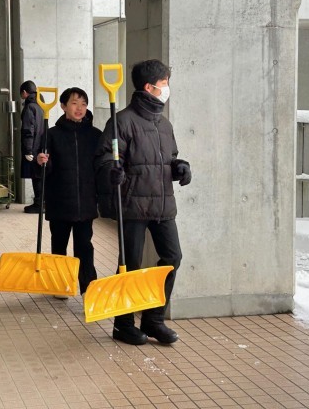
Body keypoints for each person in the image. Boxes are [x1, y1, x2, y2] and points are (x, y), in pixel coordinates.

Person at [94, 59, 192, 346]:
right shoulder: (121, 122)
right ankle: (123, 324)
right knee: (131, 264)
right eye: (164, 84)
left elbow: (169, 158)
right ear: (149, 87)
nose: (167, 88)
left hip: (162, 205)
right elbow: (104, 160)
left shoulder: (164, 124)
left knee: (172, 258)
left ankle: (153, 319)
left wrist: (179, 167)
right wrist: (110, 172)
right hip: (133, 205)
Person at [36, 88, 101, 296]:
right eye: (74, 103)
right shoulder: (51, 135)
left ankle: (89, 289)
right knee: (59, 245)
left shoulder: (95, 135)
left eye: (83, 104)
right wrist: (41, 162)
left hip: (86, 202)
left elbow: (101, 167)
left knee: (84, 247)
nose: (79, 108)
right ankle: (61, 285)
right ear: (63, 106)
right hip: (59, 202)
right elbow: (44, 170)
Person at [20, 80, 44, 213]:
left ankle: (39, 204)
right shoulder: (41, 105)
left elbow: (28, 130)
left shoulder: (30, 107)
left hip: (33, 147)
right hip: (41, 145)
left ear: (24, 92)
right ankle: (41, 202)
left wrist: (28, 150)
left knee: (36, 176)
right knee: (40, 175)